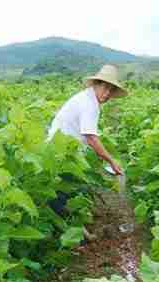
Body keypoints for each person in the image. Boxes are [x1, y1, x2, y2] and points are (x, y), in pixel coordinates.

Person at [46, 65, 128, 239]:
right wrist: (111, 160)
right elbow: (91, 137)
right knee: (59, 195)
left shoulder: (86, 98)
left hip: (60, 150)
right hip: (61, 153)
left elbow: (88, 137)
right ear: (96, 84)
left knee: (63, 191)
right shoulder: (90, 104)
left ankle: (73, 228)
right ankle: (72, 236)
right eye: (105, 87)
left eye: (111, 91)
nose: (107, 94)